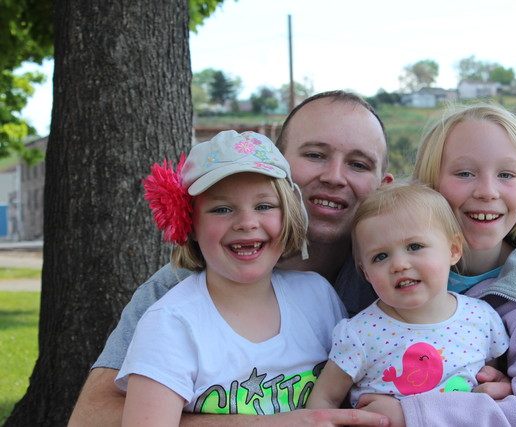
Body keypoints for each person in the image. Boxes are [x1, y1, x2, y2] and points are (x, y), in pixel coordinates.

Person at [68, 92, 510, 426]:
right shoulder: (178, 295)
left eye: (357, 163)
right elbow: (91, 416)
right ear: (281, 169)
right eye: (315, 155)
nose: (334, 176)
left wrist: (475, 390)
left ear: (383, 185)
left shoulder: (404, 277)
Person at [360, 103, 516, 426]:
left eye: (506, 174)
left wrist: (412, 414)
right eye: (465, 173)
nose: (488, 191)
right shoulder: (392, 269)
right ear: (429, 185)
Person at [115, 130, 348, 425]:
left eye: (264, 206)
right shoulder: (171, 323)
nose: (247, 223)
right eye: (222, 209)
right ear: (190, 224)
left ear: (289, 214)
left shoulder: (318, 297)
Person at [307, 182, 509, 416]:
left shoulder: (482, 318)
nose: (399, 265)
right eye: (380, 256)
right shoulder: (359, 335)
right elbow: (324, 400)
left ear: (453, 250)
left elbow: (493, 382)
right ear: (367, 273)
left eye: (415, 246)